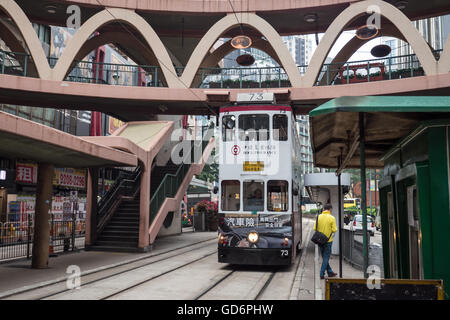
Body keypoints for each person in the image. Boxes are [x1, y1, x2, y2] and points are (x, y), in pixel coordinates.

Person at [313, 203, 338, 279]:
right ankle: (321, 273)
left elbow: (315, 228)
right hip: (328, 240)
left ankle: (330, 272)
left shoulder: (318, 217)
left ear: (324, 209)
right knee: (326, 257)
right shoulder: (332, 218)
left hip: (319, 240)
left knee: (324, 257)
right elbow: (334, 229)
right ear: (330, 209)